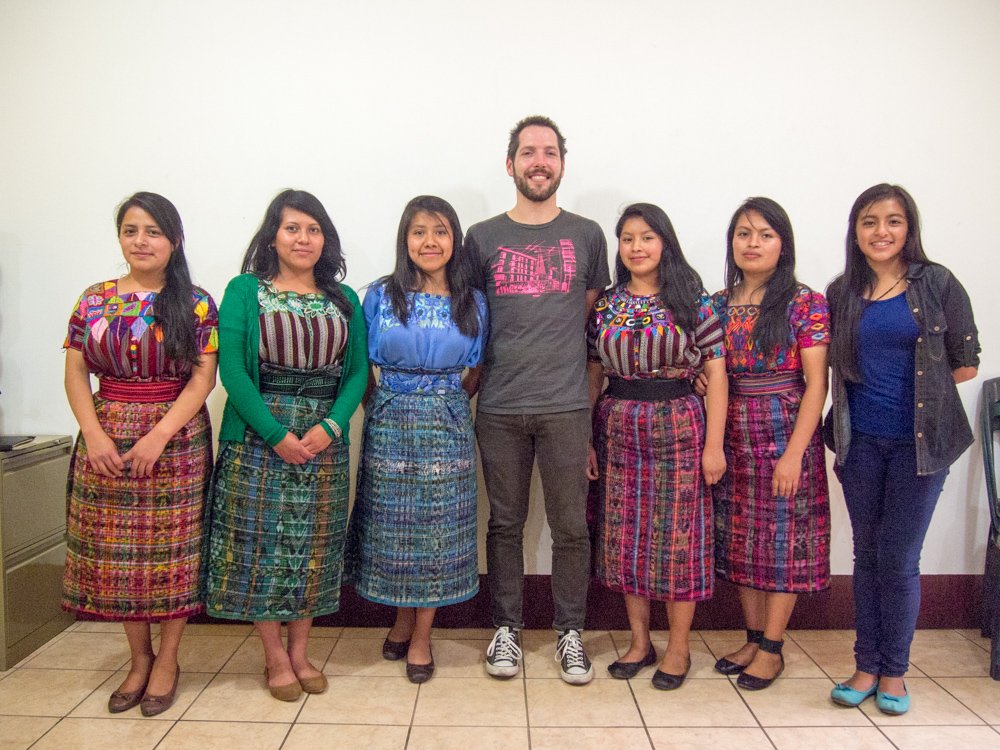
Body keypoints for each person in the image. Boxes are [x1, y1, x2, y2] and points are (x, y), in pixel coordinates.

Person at [204, 189, 366, 701]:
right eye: (292, 227)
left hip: (324, 443)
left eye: (313, 229)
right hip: (257, 437)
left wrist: (332, 427)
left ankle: (301, 651)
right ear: (272, 235)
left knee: (314, 550)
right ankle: (274, 655)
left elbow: (358, 371)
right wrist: (277, 436)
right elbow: (232, 370)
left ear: (326, 239)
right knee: (261, 548)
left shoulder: (345, 299)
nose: (303, 238)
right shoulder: (243, 290)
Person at [465, 115, 610, 684]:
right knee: (504, 523)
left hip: (567, 406)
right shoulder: (480, 238)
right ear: (510, 164)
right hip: (498, 405)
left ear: (562, 164)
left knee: (571, 527)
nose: (539, 161)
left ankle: (569, 632)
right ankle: (506, 630)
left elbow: (591, 322)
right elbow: (470, 320)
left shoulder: (588, 234)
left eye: (549, 152)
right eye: (528, 152)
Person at [62, 192, 218, 716]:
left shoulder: (195, 302)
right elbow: (76, 375)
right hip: (106, 437)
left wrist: (158, 436)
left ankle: (169, 659)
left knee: (173, 554)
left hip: (175, 440)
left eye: (153, 231)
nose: (141, 241)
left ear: (174, 240)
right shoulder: (94, 299)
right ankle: (138, 658)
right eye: (131, 230)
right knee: (122, 558)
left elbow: (201, 380)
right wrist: (96, 435)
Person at [826, 184, 980, 715]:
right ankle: (865, 665)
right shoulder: (841, 291)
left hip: (921, 448)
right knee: (865, 556)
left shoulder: (937, 283)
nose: (881, 231)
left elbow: (965, 364)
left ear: (908, 228)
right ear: (856, 231)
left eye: (892, 221)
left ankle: (894, 672)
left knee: (899, 558)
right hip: (860, 444)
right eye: (869, 221)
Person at [346, 195, 487, 684]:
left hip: (447, 427)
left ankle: (422, 634)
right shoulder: (380, 296)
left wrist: (444, 400)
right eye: (419, 231)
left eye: (441, 231)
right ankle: (402, 617)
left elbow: (478, 368)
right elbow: (362, 366)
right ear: (405, 239)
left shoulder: (473, 301)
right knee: (392, 531)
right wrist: (382, 404)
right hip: (389, 423)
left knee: (434, 535)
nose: (430, 241)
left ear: (455, 240)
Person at [588, 202, 727, 690]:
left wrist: (715, 445)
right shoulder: (605, 303)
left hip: (680, 425)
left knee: (678, 541)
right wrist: (587, 436)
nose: (637, 247)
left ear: (664, 241)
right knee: (625, 538)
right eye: (627, 238)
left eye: (646, 237)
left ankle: (680, 647)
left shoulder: (692, 297)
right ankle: (640, 641)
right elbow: (592, 372)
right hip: (619, 425)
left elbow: (716, 373)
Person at [707, 198, 830, 691]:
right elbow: (710, 369)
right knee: (742, 540)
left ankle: (774, 648)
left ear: (784, 243)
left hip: (784, 429)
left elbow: (816, 384)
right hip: (732, 430)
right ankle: (753, 636)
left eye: (764, 234)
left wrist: (795, 453)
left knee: (782, 543)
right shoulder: (715, 302)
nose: (752, 243)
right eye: (743, 233)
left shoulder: (805, 302)